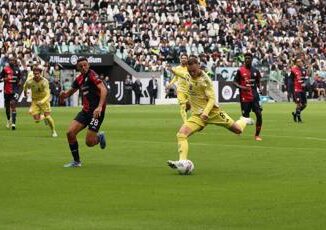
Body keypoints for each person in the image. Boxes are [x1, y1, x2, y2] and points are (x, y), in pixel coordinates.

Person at [167, 57, 253, 170]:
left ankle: (244, 119)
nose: (192, 73)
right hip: (197, 116)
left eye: (194, 70)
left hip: (213, 112)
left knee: (238, 130)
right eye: (190, 71)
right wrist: (172, 70)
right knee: (181, 134)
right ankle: (182, 161)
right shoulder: (187, 75)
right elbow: (181, 73)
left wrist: (206, 112)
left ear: (198, 66)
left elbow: (212, 99)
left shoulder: (205, 80)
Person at [59, 57, 108, 168]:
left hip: (96, 113)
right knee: (70, 133)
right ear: (77, 68)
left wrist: (100, 107)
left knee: (89, 143)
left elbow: (104, 89)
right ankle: (76, 162)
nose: (83, 67)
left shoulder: (92, 75)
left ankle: (99, 137)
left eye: (85, 65)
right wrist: (64, 95)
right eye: (81, 66)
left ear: (89, 65)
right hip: (85, 111)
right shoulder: (79, 79)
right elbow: (69, 93)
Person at [233, 52, 263, 141]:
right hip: (244, 98)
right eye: (246, 58)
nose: (247, 60)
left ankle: (257, 135)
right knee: (245, 117)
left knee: (259, 115)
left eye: (249, 58)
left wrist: (259, 88)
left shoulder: (256, 71)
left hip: (254, 97)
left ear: (252, 59)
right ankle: (238, 130)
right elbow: (234, 82)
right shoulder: (240, 71)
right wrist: (242, 87)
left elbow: (258, 82)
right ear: (244, 60)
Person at [23, 65, 58, 137]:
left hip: (44, 101)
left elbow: (48, 94)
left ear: (40, 73)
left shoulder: (45, 81)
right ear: (33, 73)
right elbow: (25, 86)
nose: (36, 75)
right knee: (37, 120)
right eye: (35, 74)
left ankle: (53, 131)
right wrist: (25, 92)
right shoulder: (30, 81)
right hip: (35, 101)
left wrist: (42, 101)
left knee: (48, 116)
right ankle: (43, 117)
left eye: (38, 73)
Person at [166, 54, 190, 122]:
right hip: (180, 90)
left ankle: (187, 108)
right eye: (182, 58)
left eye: (185, 58)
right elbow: (176, 77)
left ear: (187, 59)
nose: (184, 59)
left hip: (189, 90)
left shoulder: (189, 68)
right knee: (182, 106)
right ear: (180, 59)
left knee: (189, 106)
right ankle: (186, 122)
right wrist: (170, 84)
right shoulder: (177, 68)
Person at [0, 56, 21, 130]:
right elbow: (0, 78)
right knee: (7, 108)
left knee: (13, 104)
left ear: (15, 61)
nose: (12, 61)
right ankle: (9, 120)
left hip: (15, 90)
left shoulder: (18, 70)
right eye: (10, 60)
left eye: (13, 60)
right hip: (7, 91)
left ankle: (13, 124)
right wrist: (5, 79)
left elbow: (20, 79)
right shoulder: (5, 69)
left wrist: (20, 82)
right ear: (9, 61)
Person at [290, 57, 308, 123]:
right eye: (298, 61)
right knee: (299, 104)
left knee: (305, 105)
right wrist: (292, 89)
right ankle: (299, 119)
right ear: (296, 63)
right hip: (296, 89)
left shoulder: (304, 70)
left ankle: (295, 114)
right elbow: (291, 80)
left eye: (300, 61)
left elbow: (306, 79)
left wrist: (305, 83)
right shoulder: (293, 70)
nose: (300, 62)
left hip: (303, 89)